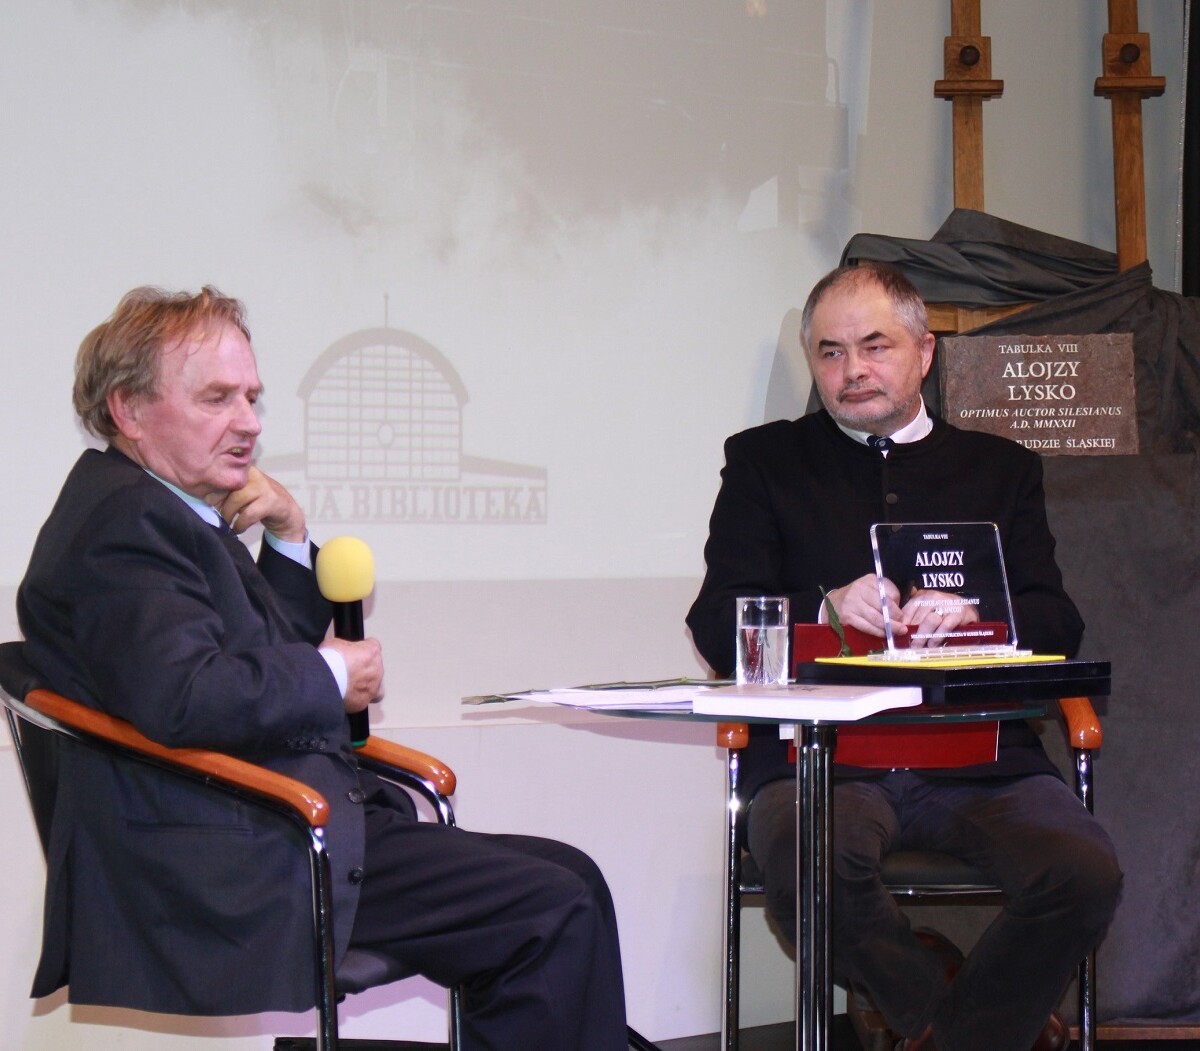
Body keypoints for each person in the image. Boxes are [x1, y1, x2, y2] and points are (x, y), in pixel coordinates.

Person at [17, 286, 628, 1050]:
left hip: (275, 825)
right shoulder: (128, 523)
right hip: (244, 857)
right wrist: (331, 675)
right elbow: (187, 696)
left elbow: (243, 657)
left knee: (573, 878)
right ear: (129, 410)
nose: (249, 421)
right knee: (554, 904)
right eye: (217, 398)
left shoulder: (152, 506)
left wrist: (287, 534)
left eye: (252, 397)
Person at [686, 262, 1122, 1051]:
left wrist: (982, 612)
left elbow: (1059, 619)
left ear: (924, 353)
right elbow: (718, 624)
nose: (852, 370)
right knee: (810, 864)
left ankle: (938, 1031)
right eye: (830, 352)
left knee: (1083, 870)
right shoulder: (764, 462)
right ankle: (954, 1014)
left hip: (982, 758)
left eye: (875, 346)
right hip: (822, 759)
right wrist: (822, 605)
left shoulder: (1002, 468)